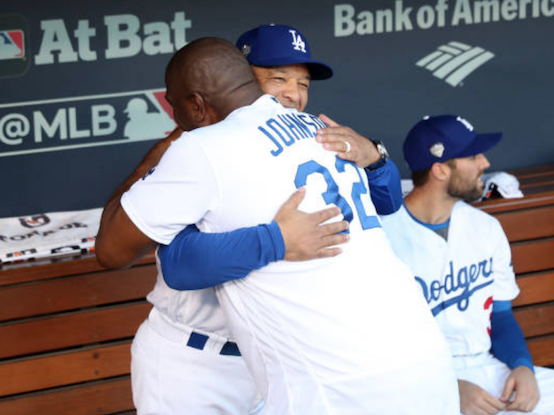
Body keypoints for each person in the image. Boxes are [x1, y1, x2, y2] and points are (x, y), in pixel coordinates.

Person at [99, 37, 459, 414]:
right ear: (248, 79)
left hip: (322, 370)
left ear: (196, 105)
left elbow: (112, 251)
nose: (292, 93)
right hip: (402, 352)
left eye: (301, 83)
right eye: (278, 79)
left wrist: (376, 158)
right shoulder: (315, 132)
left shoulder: (211, 146)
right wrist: (274, 240)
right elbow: (178, 264)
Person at [381, 114, 554, 415]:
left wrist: (523, 367)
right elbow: (374, 344)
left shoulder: (484, 228)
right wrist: (444, 388)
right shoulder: (381, 238)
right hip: (417, 384)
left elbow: (500, 317)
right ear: (440, 170)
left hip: (487, 366)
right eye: (473, 156)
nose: (485, 163)